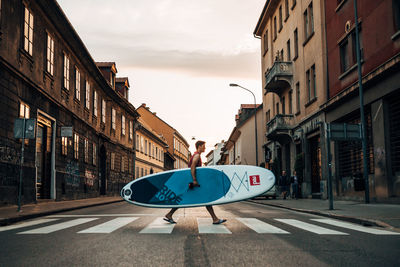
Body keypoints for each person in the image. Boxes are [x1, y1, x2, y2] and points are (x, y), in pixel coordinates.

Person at [163, 140, 227, 225]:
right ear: (199, 146)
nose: (205, 147)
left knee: (184, 199)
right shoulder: (196, 156)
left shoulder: (196, 155)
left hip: (193, 183)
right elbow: (193, 166)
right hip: (194, 183)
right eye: (204, 146)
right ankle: (215, 219)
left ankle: (169, 214)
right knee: (206, 200)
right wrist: (194, 180)